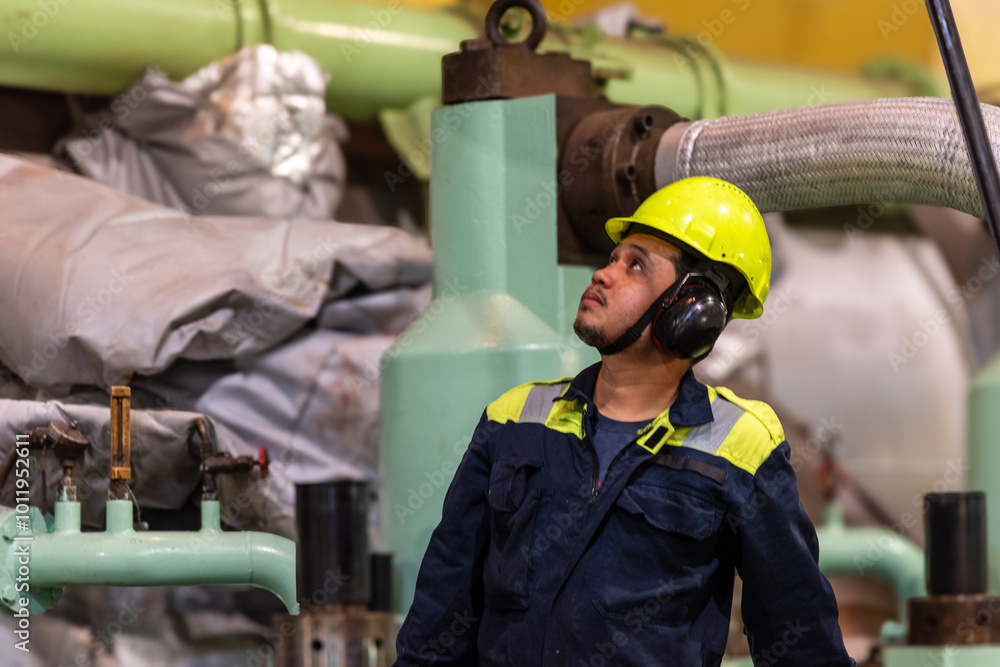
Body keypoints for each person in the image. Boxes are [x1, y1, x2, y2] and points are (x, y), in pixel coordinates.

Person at [393, 177, 855, 666]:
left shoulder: (739, 445)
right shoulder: (514, 420)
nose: (603, 274)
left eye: (635, 265)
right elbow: (441, 614)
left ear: (691, 310)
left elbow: (800, 642)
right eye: (612, 258)